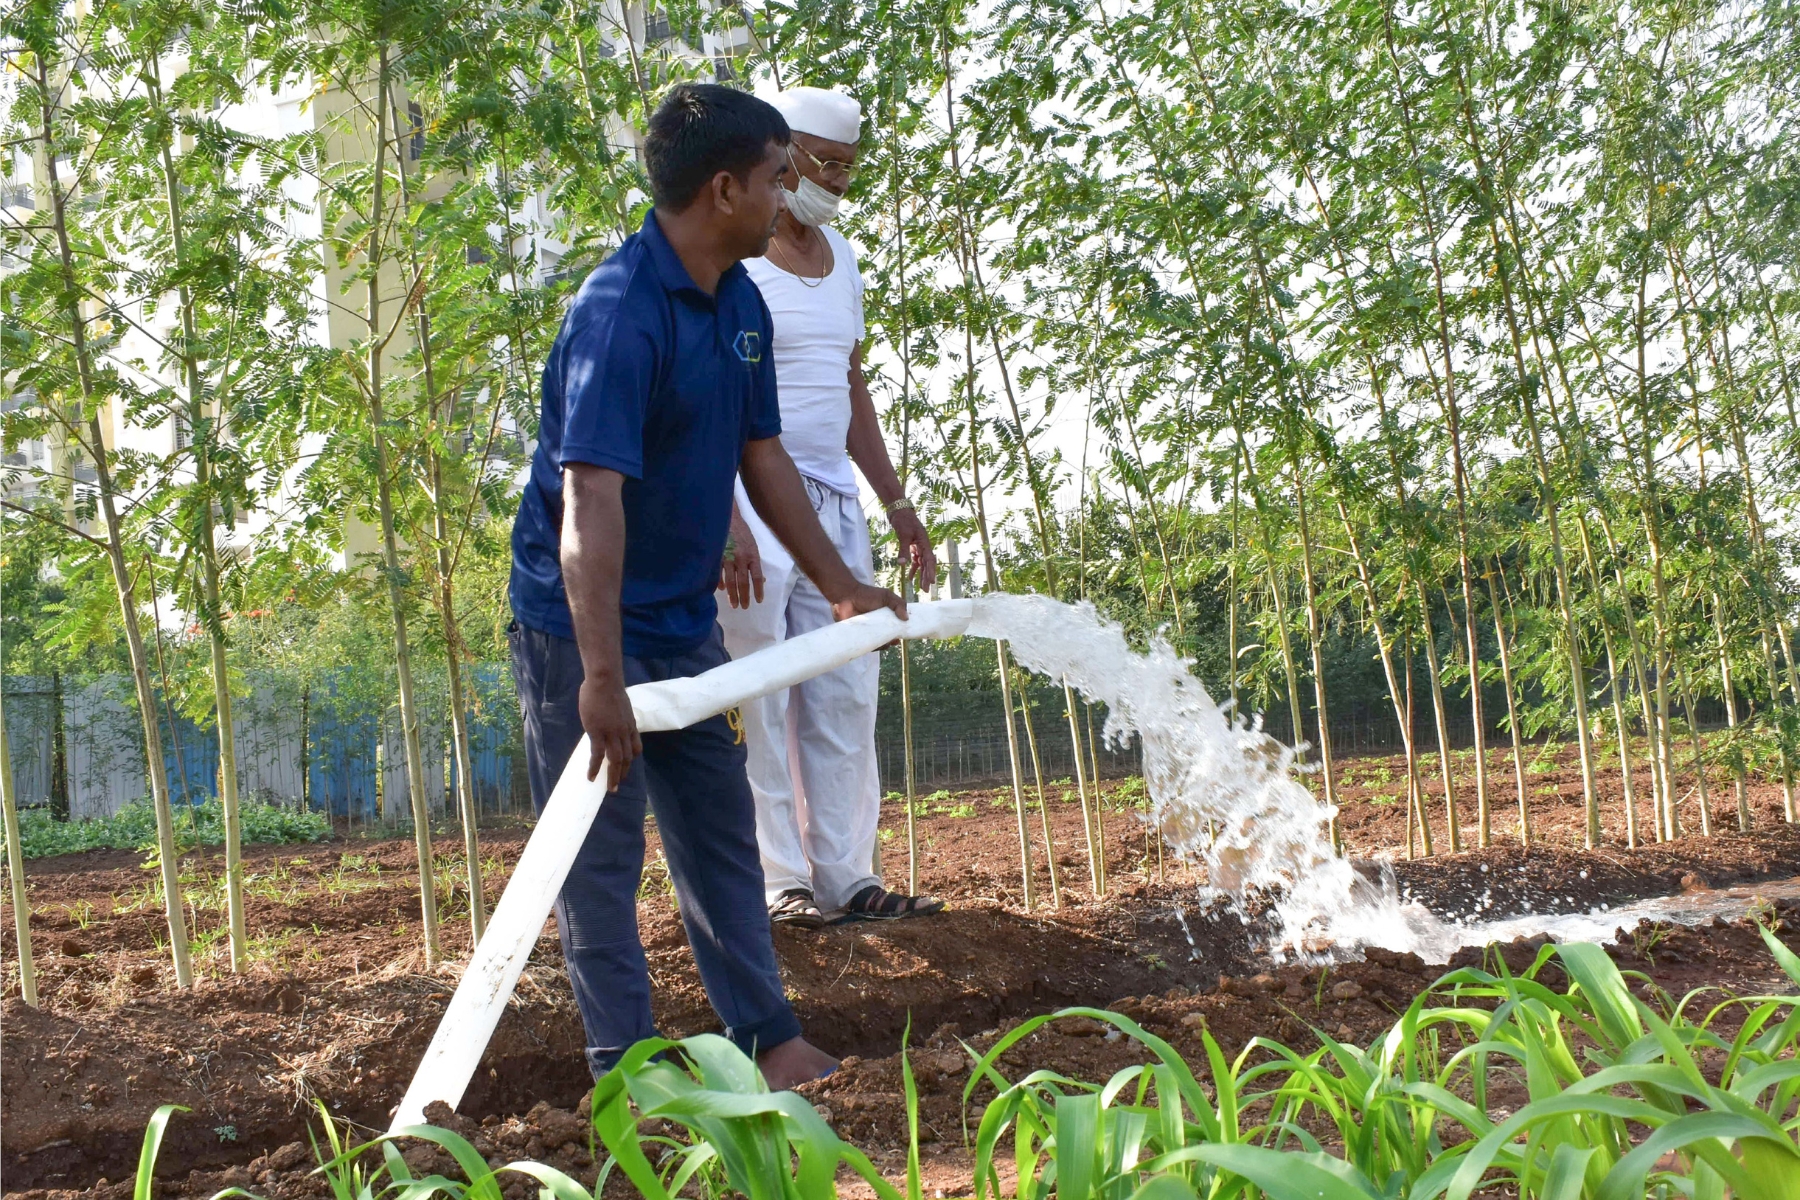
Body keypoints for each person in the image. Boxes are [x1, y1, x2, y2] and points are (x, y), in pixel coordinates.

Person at [507, 82, 906, 1091]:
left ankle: (769, 1038)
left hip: (683, 619)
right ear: (725, 189)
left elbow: (762, 454)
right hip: (581, 631)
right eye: (777, 177)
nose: (789, 196)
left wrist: (842, 585)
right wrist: (602, 677)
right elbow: (590, 498)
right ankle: (627, 1070)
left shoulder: (740, 303)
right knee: (601, 855)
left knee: (720, 828)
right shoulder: (619, 314)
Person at [714, 86, 941, 930]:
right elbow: (711, 400)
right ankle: (781, 882)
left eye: (850, 168)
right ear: (785, 156)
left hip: (834, 503)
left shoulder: (841, 257)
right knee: (762, 693)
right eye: (827, 164)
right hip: (754, 500)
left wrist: (895, 500)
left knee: (847, 689)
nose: (839, 182)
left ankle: (848, 878)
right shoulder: (737, 264)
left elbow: (852, 387)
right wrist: (727, 519)